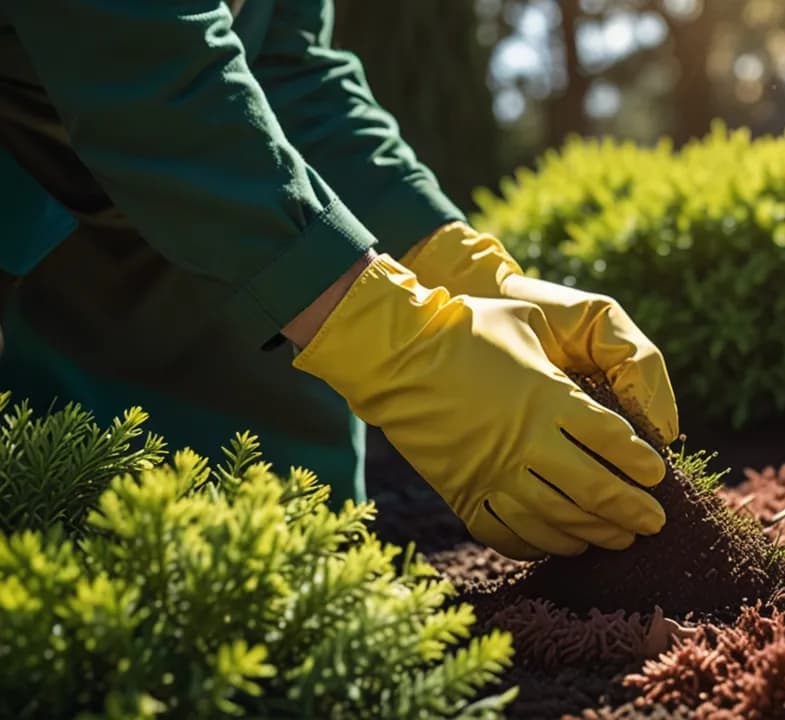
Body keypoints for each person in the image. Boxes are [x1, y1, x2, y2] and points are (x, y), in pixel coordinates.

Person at [0, 0, 679, 561]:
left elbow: (282, 71)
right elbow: (144, 66)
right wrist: (400, 344)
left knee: (304, 574)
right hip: (60, 264)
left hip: (203, 256)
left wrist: (458, 265)